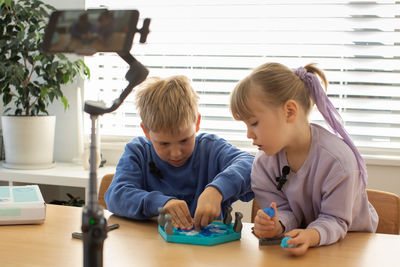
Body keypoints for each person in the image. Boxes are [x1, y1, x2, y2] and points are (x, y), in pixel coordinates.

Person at [230, 62, 378, 256]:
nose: (249, 135)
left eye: (254, 123)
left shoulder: (338, 162)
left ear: (289, 111)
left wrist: (312, 235)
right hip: (305, 246)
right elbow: (284, 211)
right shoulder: (264, 163)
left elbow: (336, 220)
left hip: (351, 245)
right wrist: (276, 225)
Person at [105, 75, 254, 230]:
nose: (176, 153)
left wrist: (216, 190)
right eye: (163, 143)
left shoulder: (211, 149)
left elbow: (250, 163)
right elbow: (116, 195)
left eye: (184, 140)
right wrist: (161, 203)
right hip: (153, 250)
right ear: (146, 131)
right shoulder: (138, 152)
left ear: (197, 123)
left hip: (208, 252)